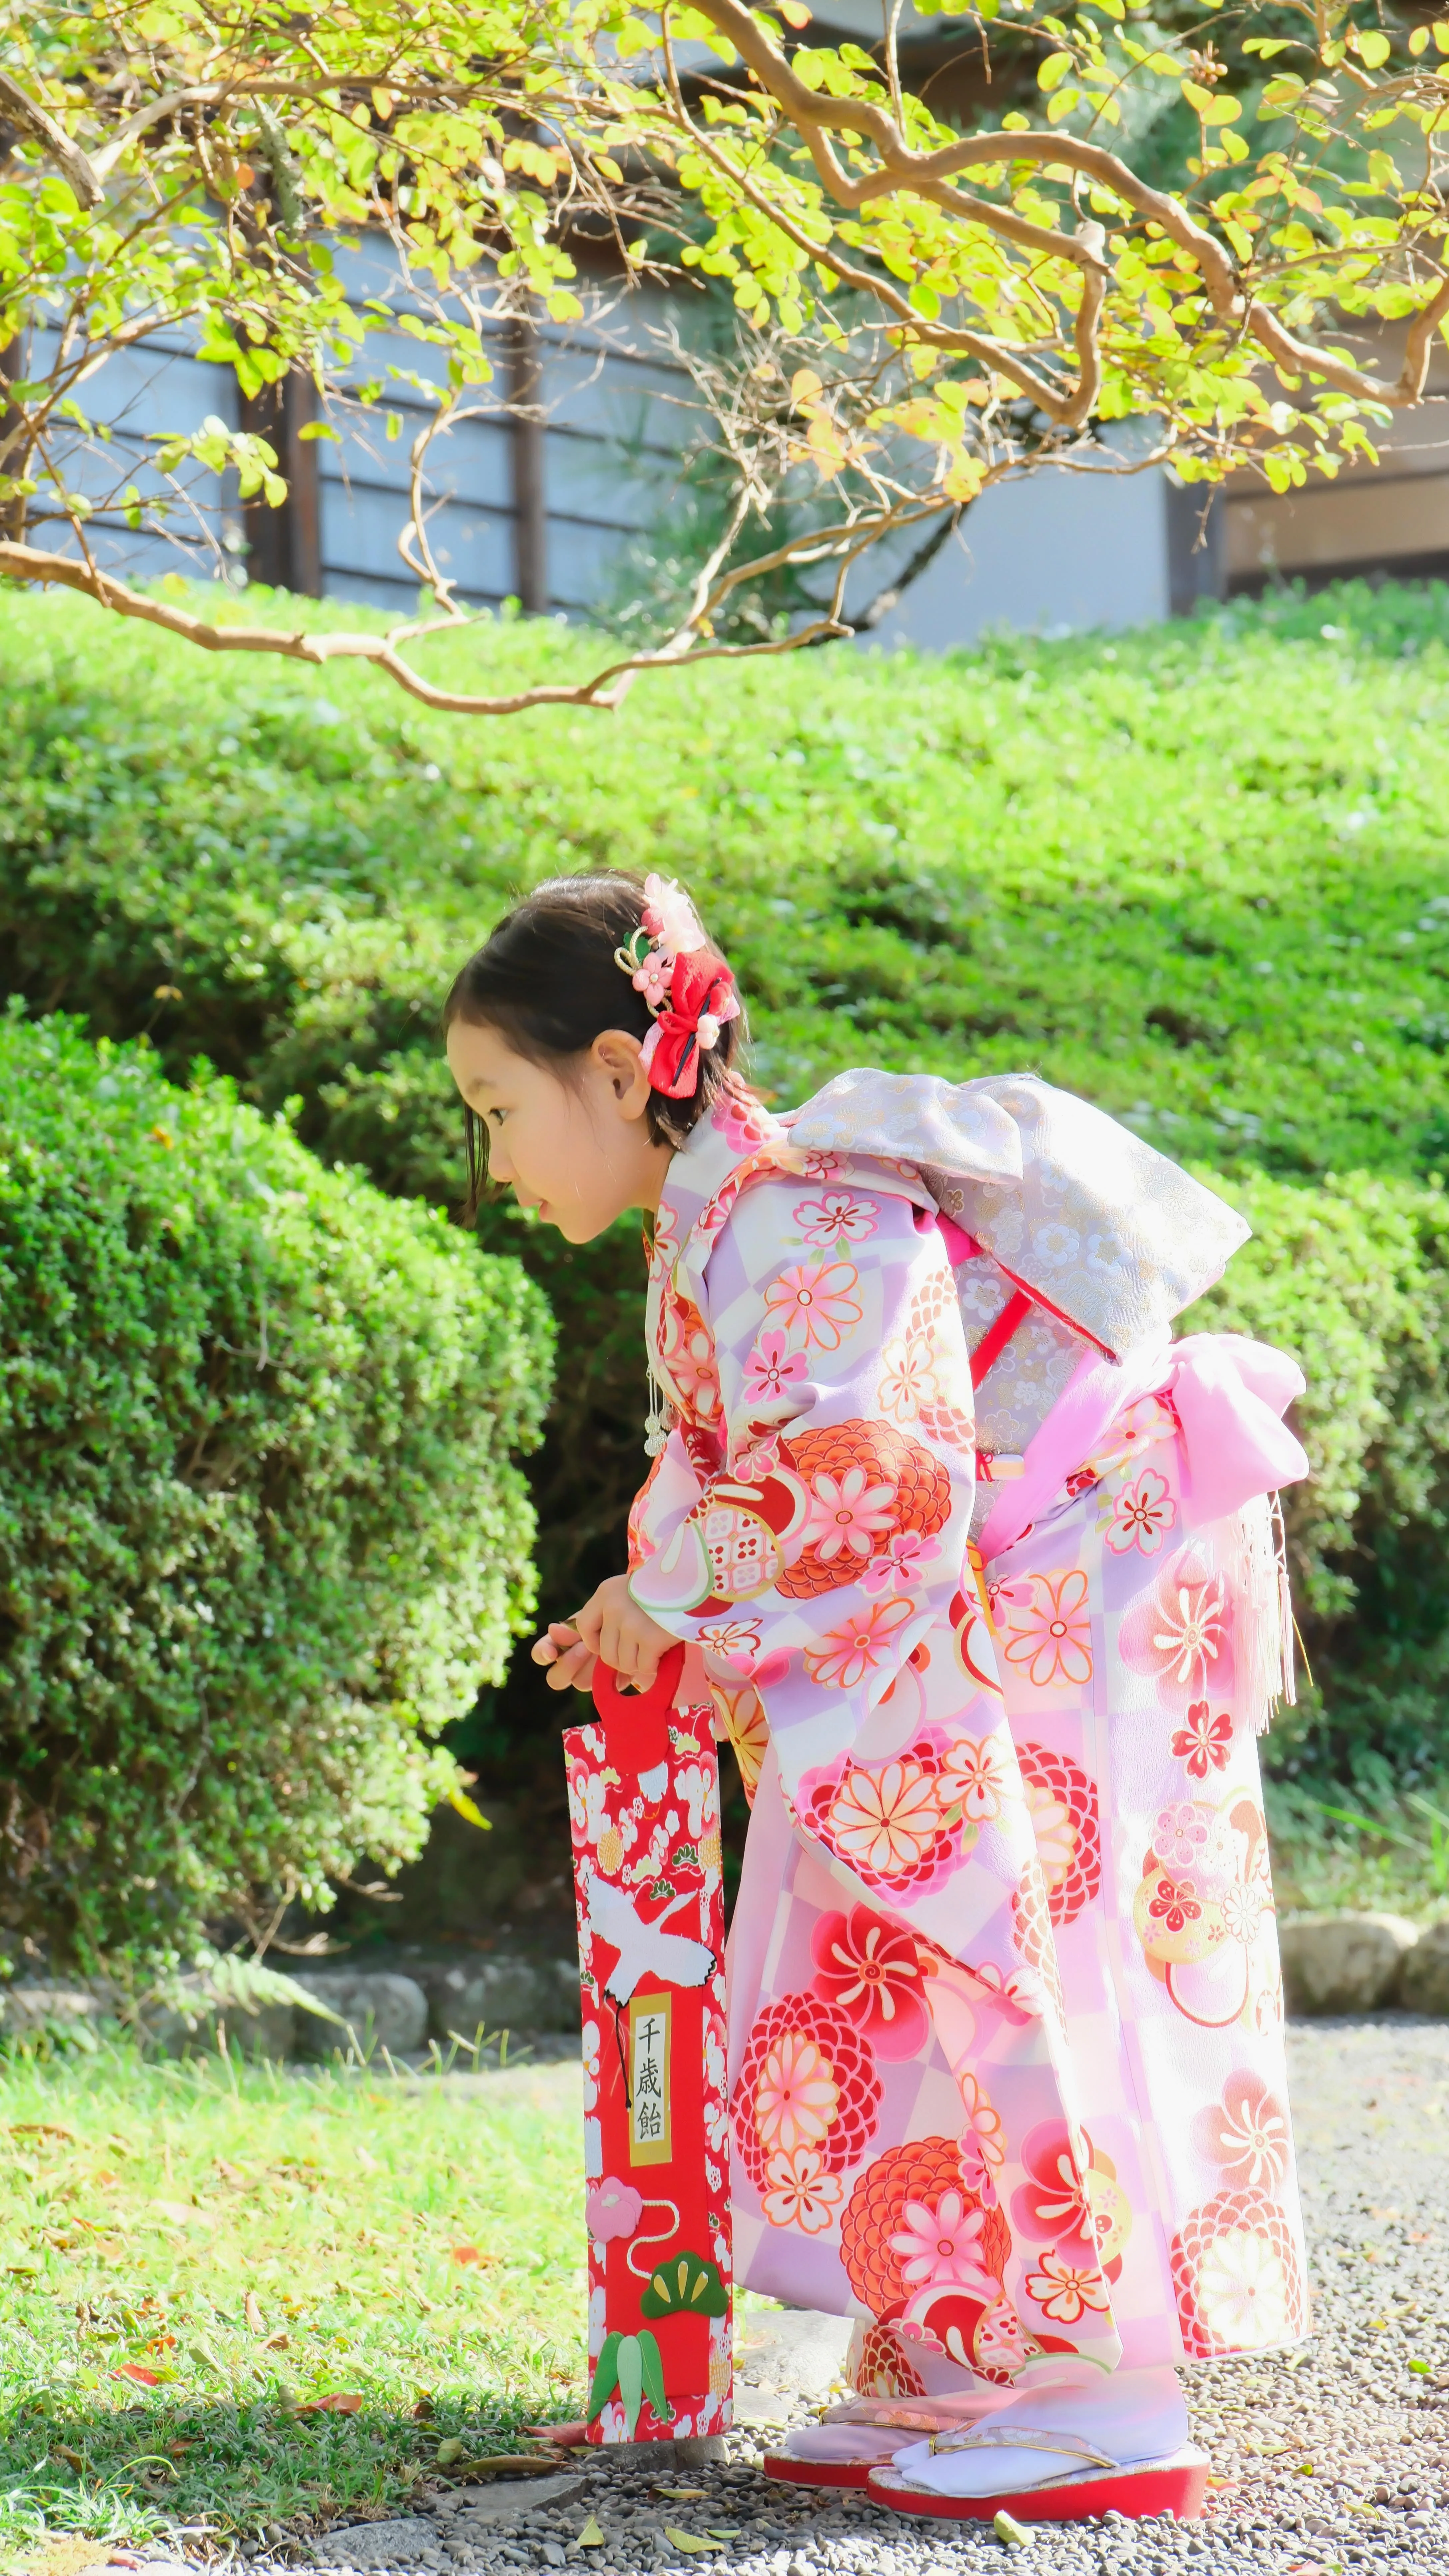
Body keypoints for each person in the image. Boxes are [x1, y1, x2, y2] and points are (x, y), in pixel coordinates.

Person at [443, 868, 1311, 2521]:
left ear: (622, 1074)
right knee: (903, 1940)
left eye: (497, 1107)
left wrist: (673, 1592)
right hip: (1000, 1587)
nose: (491, 1156)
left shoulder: (785, 1203)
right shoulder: (728, 1206)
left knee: (998, 1941)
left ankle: (1102, 2390)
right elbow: (754, 1473)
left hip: (1061, 1580)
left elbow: (884, 1474)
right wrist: (656, 1610)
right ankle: (956, 2346)